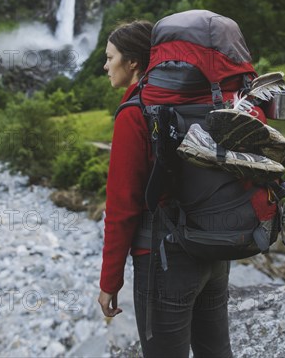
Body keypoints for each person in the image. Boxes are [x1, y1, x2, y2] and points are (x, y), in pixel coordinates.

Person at [98, 20, 233, 358]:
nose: (104, 66)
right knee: (215, 351)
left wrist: (109, 282)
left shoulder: (136, 113)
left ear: (132, 63)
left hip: (164, 262)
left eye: (110, 57)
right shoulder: (204, 100)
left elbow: (122, 208)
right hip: (214, 250)